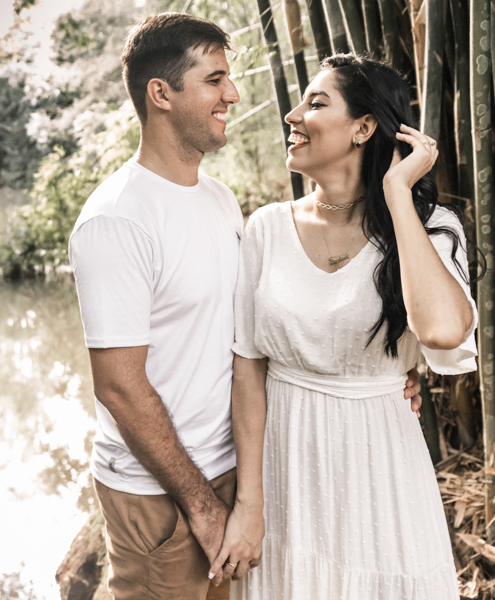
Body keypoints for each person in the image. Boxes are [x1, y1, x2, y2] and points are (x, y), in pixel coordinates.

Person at [67, 16, 423, 599]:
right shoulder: (117, 219)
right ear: (162, 94)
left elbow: (256, 336)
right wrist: (204, 510)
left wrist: (388, 368)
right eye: (215, 80)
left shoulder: (218, 200)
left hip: (231, 474)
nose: (233, 94)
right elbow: (119, 387)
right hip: (161, 497)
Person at [215, 54, 479, 599]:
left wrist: (398, 195)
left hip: (380, 463)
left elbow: (444, 332)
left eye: (316, 103)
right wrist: (249, 503)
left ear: (363, 126)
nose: (292, 114)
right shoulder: (265, 228)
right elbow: (246, 373)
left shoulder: (430, 227)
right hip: (286, 465)